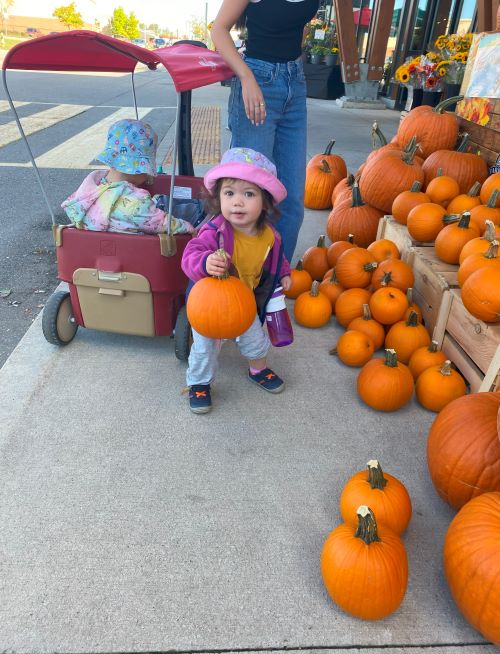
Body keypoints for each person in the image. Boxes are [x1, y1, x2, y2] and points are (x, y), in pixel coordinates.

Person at [181, 147, 292, 414]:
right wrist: (206, 262)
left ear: (265, 202)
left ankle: (258, 369)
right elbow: (189, 256)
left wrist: (284, 272)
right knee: (205, 347)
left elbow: (275, 257)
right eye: (229, 193)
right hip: (210, 303)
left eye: (248, 194)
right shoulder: (214, 231)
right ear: (218, 198)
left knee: (255, 339)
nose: (237, 202)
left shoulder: (269, 236)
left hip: (244, 301)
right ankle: (199, 383)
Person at [210, 0, 320, 262]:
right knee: (247, 194)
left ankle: (274, 281)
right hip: (257, 80)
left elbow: (298, 24)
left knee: (291, 201)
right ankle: (240, 284)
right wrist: (246, 77)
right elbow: (219, 29)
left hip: (295, 81)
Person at [61, 118, 193, 235]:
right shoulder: (137, 204)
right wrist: (188, 227)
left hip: (98, 250)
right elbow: (163, 223)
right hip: (139, 255)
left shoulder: (89, 190)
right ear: (139, 169)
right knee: (175, 205)